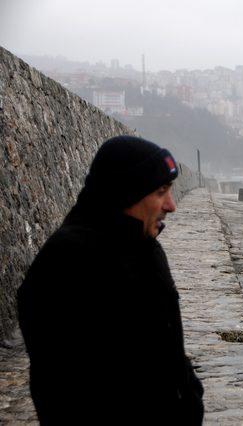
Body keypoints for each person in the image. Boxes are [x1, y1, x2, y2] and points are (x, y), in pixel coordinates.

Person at [17, 135, 204, 425]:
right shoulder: (67, 264)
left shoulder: (145, 246)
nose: (171, 205)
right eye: (161, 191)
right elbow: (65, 389)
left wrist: (189, 391)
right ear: (127, 192)